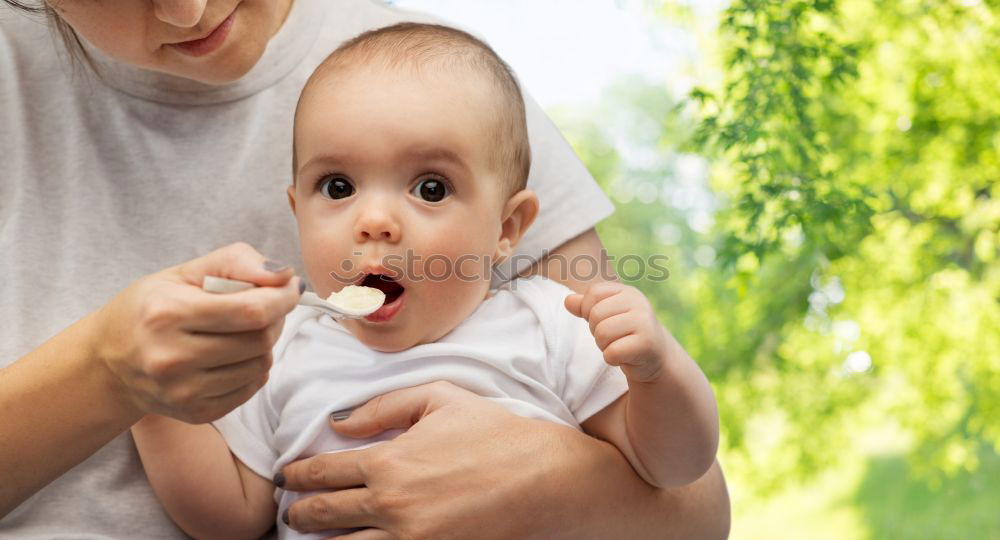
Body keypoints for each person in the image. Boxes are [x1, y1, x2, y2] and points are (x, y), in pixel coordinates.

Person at [0, 1, 730, 538]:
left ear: (508, 228)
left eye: (431, 189)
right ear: (293, 210)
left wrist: (656, 373)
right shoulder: (285, 353)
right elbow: (232, 516)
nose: (374, 221)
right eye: (338, 188)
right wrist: (150, 402)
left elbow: (679, 475)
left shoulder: (546, 320)